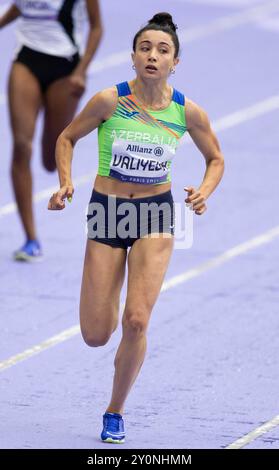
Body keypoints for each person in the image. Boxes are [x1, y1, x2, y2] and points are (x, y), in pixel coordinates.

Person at [48, 12, 224, 444]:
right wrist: (66, 182)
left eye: (163, 50)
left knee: (138, 320)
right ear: (132, 57)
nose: (153, 55)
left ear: (175, 62)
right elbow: (67, 138)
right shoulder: (111, 100)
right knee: (96, 334)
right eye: (145, 48)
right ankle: (105, 307)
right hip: (107, 212)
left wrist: (203, 190)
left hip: (155, 216)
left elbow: (216, 159)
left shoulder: (187, 112)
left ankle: (114, 410)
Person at [0, 0, 102, 261]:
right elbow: (21, 7)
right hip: (26, 60)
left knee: (49, 158)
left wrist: (81, 71)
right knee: (21, 146)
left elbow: (96, 27)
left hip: (65, 65)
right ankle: (31, 239)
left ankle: (32, 236)